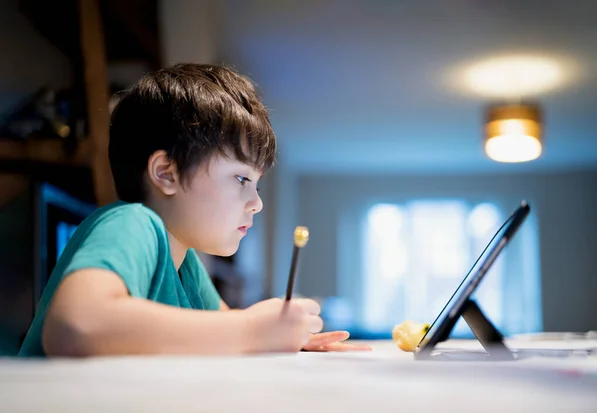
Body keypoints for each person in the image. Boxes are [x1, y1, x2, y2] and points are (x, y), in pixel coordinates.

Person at [18, 63, 371, 357]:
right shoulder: (131, 224)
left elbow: (219, 328)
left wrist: (283, 339)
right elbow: (75, 325)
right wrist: (250, 330)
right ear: (166, 173)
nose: (257, 202)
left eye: (257, 184)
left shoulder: (185, 262)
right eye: (240, 178)